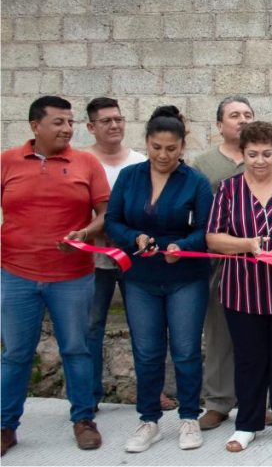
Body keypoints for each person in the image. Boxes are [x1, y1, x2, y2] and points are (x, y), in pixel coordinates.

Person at [1, 96, 109, 454]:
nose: (67, 129)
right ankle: (5, 426)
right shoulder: (7, 162)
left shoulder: (86, 163)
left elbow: (106, 214)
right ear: (35, 126)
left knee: (77, 350)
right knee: (16, 354)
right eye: (58, 122)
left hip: (73, 277)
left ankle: (83, 419)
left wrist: (87, 233)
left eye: (70, 122)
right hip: (16, 275)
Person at [104, 106, 213, 452]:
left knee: (185, 351)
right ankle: (148, 420)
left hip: (186, 278)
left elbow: (207, 231)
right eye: (156, 147)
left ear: (182, 147)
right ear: (147, 143)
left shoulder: (195, 181)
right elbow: (112, 222)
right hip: (140, 278)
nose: (163, 155)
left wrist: (182, 245)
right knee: (148, 352)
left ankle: (189, 418)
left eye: (170, 148)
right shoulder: (129, 177)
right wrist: (134, 237)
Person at [206, 121, 272, 452]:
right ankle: (247, 424)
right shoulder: (227, 189)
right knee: (249, 359)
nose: (260, 161)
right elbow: (212, 238)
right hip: (243, 290)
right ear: (242, 154)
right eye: (252, 154)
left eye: (267, 154)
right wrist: (247, 244)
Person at [192, 96, 272, 431]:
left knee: (266, 342)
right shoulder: (204, 165)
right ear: (220, 125)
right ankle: (218, 402)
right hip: (224, 265)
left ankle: (265, 404)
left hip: (270, 268)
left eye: (248, 114)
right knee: (220, 334)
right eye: (234, 115)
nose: (242, 120)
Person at [81, 97, 153, 412]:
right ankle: (89, 394)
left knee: (145, 325)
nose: (114, 125)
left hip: (133, 258)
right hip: (92, 260)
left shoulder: (139, 162)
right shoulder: (81, 161)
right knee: (92, 325)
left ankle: (150, 393)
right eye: (106, 120)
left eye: (119, 119)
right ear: (91, 127)